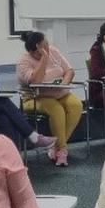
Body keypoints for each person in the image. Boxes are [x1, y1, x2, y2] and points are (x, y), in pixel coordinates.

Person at [17, 31, 84, 166]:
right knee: (56, 110)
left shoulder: (54, 51)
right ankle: (62, 150)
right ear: (33, 51)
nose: (47, 48)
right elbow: (36, 80)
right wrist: (44, 59)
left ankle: (56, 147)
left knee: (76, 105)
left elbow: (69, 71)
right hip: (35, 97)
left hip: (60, 93)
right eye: (43, 47)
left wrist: (64, 83)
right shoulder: (24, 61)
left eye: (47, 44)